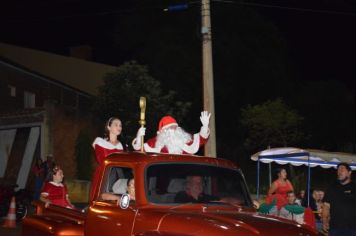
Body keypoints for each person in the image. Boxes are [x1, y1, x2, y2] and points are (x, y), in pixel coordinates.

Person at [132, 111, 211, 155]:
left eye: (175, 128)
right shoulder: (155, 144)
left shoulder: (184, 143)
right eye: (170, 128)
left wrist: (205, 126)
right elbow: (140, 150)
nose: (174, 130)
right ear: (163, 132)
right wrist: (139, 137)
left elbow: (200, 140)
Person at [90, 117, 127, 201]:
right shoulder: (100, 142)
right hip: (104, 174)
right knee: (102, 199)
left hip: (117, 174)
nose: (119, 127)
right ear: (109, 127)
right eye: (116, 125)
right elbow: (101, 160)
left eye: (120, 125)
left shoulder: (120, 145)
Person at [322, 162, 356, 236]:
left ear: (349, 172)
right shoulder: (331, 188)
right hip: (335, 228)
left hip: (353, 229)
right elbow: (326, 206)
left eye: (342, 170)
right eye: (338, 170)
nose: (339, 172)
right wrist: (324, 221)